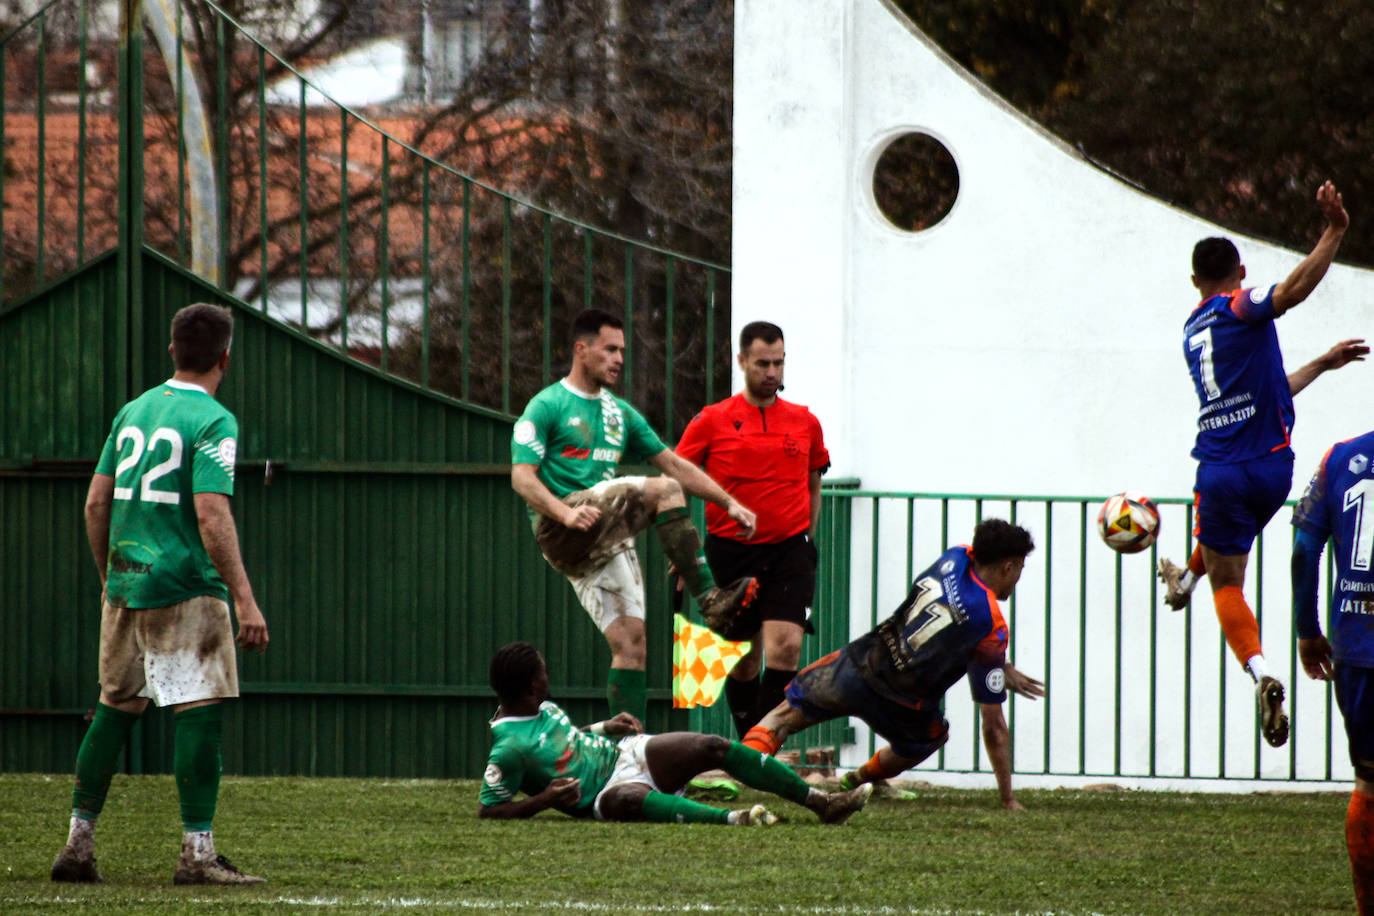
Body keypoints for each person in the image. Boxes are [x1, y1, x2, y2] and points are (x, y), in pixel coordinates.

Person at [50, 303, 269, 886]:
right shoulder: (214, 420)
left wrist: (110, 580)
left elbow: (97, 504)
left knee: (114, 710)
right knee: (199, 712)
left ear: (172, 350)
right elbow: (212, 513)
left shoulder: (132, 412)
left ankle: (78, 846)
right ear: (226, 357)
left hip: (127, 582)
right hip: (186, 586)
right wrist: (245, 600)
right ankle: (197, 854)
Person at [1155, 181, 1367, 748]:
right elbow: (1273, 389)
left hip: (1222, 471)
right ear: (1241, 269)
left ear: (1195, 281)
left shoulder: (1198, 325)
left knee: (1230, 583)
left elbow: (1291, 292)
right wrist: (1331, 229)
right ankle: (1185, 579)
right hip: (1273, 472)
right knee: (1227, 539)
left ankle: (1258, 672)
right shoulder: (1240, 307)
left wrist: (1336, 231)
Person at [511, 309, 761, 726]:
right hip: (563, 525)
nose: (619, 359)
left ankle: (630, 755)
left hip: (598, 534)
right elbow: (522, 478)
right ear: (581, 349)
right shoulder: (547, 405)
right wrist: (564, 515)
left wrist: (728, 502)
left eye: (622, 351)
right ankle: (711, 601)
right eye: (610, 349)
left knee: (632, 645)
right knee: (662, 489)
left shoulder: (619, 413)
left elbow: (674, 463)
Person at [740, 519, 1045, 811]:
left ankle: (739, 771)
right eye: (1020, 568)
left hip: (862, 663)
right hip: (903, 706)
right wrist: (1008, 798)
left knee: (781, 717)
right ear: (1009, 566)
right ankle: (857, 779)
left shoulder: (955, 557)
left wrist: (998, 666)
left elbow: (951, 617)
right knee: (928, 739)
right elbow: (993, 726)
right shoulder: (990, 623)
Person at [478, 642, 873, 825]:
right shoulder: (509, 749)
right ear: (531, 687)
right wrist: (546, 799)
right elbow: (489, 810)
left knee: (712, 746)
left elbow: (557, 743)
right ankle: (737, 820)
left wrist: (603, 728)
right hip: (602, 795)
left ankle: (823, 803)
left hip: (624, 754)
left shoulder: (537, 707)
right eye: (543, 672)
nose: (549, 675)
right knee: (631, 798)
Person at [675, 320, 830, 737]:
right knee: (742, 656)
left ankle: (756, 748)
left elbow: (814, 485)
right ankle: (748, 737)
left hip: (789, 551)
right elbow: (674, 478)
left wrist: (806, 541)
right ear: (741, 360)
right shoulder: (711, 420)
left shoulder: (804, 421)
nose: (772, 372)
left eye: (779, 363)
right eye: (763, 363)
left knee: (786, 647)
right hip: (731, 551)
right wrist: (681, 550)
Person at [1290, 433, 1374, 914]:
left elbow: (1305, 549)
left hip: (1359, 649)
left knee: (1369, 781)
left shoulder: (1339, 457)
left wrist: (1307, 629)